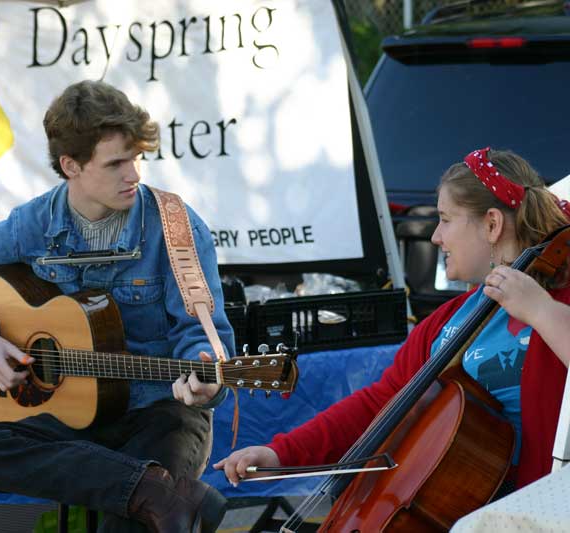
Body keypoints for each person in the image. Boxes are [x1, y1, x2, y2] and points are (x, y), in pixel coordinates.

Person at [0, 80, 234, 533]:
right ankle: (155, 492)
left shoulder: (177, 228)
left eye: (137, 158)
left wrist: (207, 378)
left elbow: (206, 336)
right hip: (70, 417)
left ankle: (148, 492)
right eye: (116, 163)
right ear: (70, 165)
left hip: (160, 410)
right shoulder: (34, 224)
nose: (134, 174)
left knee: (135, 522)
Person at [215, 147, 570, 495]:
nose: (435, 236)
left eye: (445, 219)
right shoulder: (451, 318)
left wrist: (540, 310)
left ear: (492, 224)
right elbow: (383, 402)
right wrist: (282, 452)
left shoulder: (559, 300)